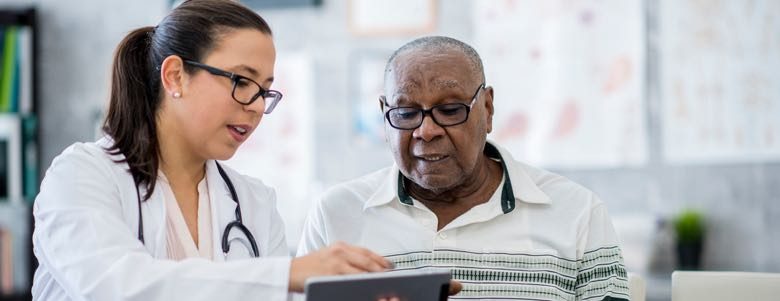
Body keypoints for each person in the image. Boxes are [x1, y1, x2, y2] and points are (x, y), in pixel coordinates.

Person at [31, 1, 391, 300]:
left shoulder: (254, 202)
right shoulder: (82, 175)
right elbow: (117, 286)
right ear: (175, 76)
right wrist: (286, 274)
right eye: (241, 81)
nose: (256, 106)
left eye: (265, 90)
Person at [297, 36, 630, 300]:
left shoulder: (577, 213)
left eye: (450, 109)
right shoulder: (336, 214)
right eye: (405, 112)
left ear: (487, 108)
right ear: (384, 115)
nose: (426, 131)